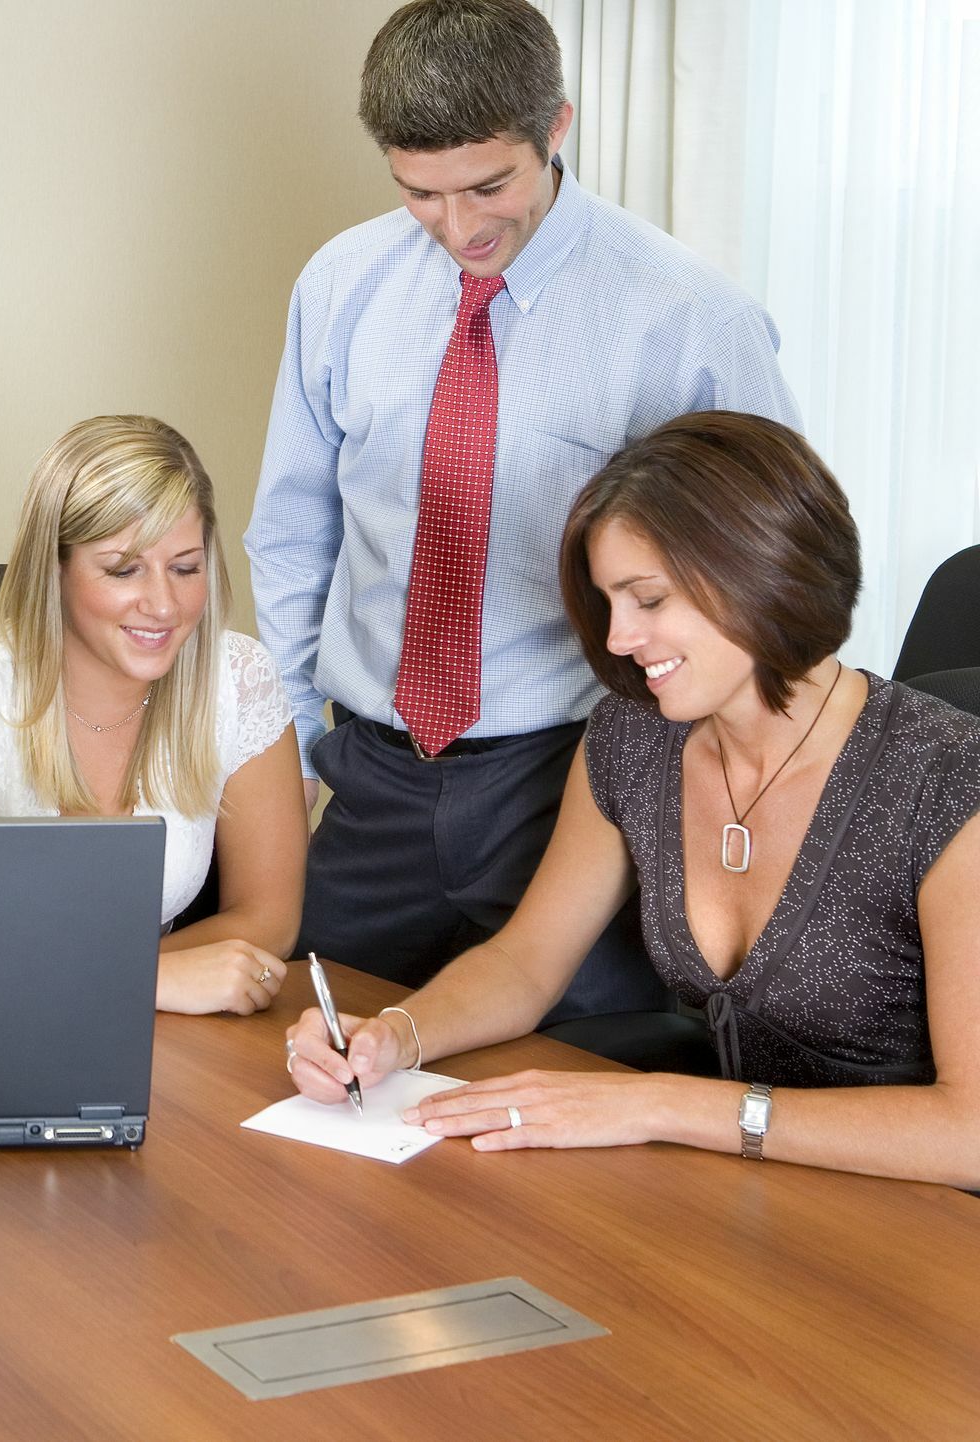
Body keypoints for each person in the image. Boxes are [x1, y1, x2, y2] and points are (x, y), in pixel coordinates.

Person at [244, 0, 801, 1022]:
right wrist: (284, 743)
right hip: (372, 767)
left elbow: (770, 581)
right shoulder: (338, 286)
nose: (460, 227)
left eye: (488, 184)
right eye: (419, 193)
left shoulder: (687, 317)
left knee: (569, 1090)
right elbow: (291, 530)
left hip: (576, 775)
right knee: (310, 1052)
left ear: (556, 126)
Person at [286, 412, 980, 1187]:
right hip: (742, 1191)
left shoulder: (946, 778)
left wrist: (656, 1106)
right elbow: (525, 964)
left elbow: (969, 1131)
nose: (616, 638)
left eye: (646, 599)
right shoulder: (634, 739)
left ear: (761, 569)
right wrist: (396, 1036)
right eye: (609, 602)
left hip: (922, 1224)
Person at [0, 414, 306, 1015]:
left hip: (154, 1050)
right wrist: (142, 983)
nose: (163, 605)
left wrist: (125, 986)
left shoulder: (237, 678)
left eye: (185, 567)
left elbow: (268, 919)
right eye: (123, 570)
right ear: (55, 568)